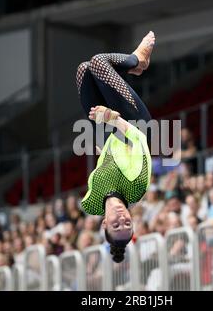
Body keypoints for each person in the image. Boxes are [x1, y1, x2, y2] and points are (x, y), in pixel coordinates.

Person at [76, 32, 156, 263]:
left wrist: (101, 142)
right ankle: (137, 60)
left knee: (84, 70)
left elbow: (106, 162)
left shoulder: (90, 201)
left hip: (107, 133)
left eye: (115, 224)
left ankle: (133, 66)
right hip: (133, 125)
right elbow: (139, 141)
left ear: (104, 222)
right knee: (99, 62)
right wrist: (112, 119)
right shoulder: (136, 187)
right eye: (127, 222)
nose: (122, 218)